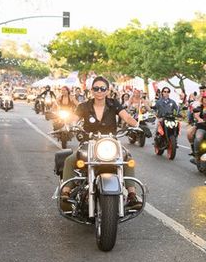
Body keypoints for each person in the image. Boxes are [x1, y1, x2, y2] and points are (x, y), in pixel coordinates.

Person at [60, 76, 147, 210]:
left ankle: (131, 195)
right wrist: (69, 124)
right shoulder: (84, 106)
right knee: (70, 159)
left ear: (107, 90)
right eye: (96, 88)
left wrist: (138, 125)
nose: (99, 91)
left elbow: (127, 117)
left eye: (102, 88)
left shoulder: (114, 104)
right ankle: (65, 192)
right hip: (89, 142)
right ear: (92, 90)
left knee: (127, 159)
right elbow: (74, 118)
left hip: (110, 142)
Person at [186, 87, 206, 156]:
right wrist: (199, 119)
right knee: (198, 138)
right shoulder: (199, 108)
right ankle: (196, 154)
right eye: (205, 98)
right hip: (202, 127)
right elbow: (196, 115)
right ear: (202, 99)